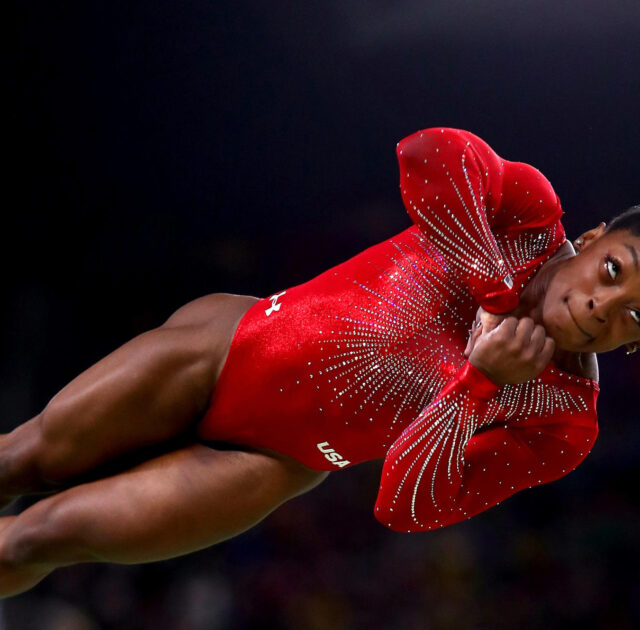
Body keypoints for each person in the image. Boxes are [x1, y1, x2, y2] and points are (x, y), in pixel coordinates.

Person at [0, 128, 638, 598]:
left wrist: (481, 381)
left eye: (635, 317)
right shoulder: (526, 213)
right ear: (590, 239)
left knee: (45, 535)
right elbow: (429, 154)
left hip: (266, 464)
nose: (601, 307)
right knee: (25, 458)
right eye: (614, 270)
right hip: (223, 348)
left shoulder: (563, 422)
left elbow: (407, 507)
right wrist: (496, 292)